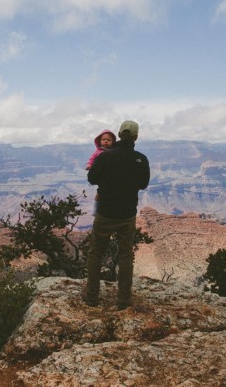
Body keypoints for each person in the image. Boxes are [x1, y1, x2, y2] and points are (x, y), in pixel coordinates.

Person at [84, 120, 150, 310]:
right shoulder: (141, 158)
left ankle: (92, 298)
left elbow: (92, 178)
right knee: (125, 255)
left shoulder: (105, 157)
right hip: (127, 214)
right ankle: (123, 300)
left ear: (119, 134)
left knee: (96, 253)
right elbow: (144, 184)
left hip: (105, 212)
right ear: (136, 137)